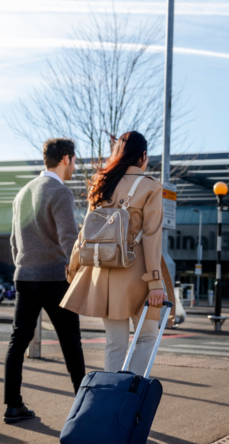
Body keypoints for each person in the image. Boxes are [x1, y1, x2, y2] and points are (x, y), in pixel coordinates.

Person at [62, 131, 166, 376]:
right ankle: (130, 392)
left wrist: (73, 268)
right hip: (138, 273)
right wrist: (155, 283)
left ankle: (111, 394)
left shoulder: (102, 184)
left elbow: (85, 233)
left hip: (104, 272)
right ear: (142, 156)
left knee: (115, 343)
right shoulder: (150, 186)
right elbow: (152, 238)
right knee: (146, 337)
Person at [4, 138, 86, 424]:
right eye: (74, 161)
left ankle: (13, 405)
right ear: (65, 159)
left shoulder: (22, 193)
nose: (75, 166)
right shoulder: (60, 192)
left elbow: (14, 240)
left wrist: (23, 266)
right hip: (54, 278)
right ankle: (84, 409)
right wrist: (77, 272)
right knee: (70, 342)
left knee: (18, 341)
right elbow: (68, 238)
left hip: (24, 276)